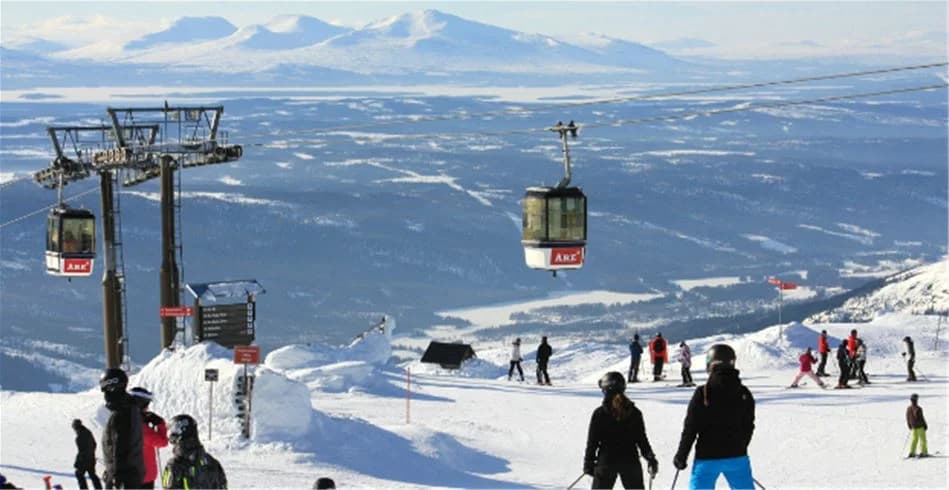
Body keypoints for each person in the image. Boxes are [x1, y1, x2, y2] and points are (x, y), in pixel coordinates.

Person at [673, 344, 756, 490]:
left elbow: (691, 427)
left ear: (711, 364)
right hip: (737, 456)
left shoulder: (703, 393)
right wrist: (740, 445)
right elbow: (748, 425)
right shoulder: (744, 393)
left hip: (707, 457)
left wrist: (681, 455)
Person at [583, 372, 659, 489]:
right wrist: (650, 458)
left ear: (606, 390)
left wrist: (588, 462)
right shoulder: (634, 412)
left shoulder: (600, 413)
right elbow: (641, 439)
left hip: (606, 462)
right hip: (630, 461)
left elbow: (592, 441)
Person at [99, 368, 144, 489]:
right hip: (129, 474)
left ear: (114, 388)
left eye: (106, 391)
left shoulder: (122, 413)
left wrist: (116, 475)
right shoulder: (130, 408)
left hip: (124, 477)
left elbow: (121, 446)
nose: (105, 396)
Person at [161, 414, 227, 489]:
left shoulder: (175, 465)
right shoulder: (212, 462)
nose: (172, 435)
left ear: (182, 432)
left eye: (175, 430)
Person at [130, 387, 168, 489]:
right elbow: (163, 442)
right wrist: (161, 424)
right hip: (144, 477)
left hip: (130, 475)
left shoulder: (126, 422)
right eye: (146, 405)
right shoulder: (142, 429)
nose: (147, 409)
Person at [72, 419, 102, 490]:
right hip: (91, 458)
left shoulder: (80, 437)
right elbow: (94, 444)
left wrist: (77, 462)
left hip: (85, 460)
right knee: (92, 474)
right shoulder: (87, 432)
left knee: (79, 474)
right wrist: (92, 453)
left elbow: (82, 451)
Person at [906, 394, 929, 458]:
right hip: (920, 427)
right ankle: (923, 452)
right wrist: (925, 425)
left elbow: (907, 417)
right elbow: (921, 418)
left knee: (914, 440)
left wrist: (909, 425)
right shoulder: (918, 408)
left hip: (913, 426)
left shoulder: (909, 408)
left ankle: (912, 452)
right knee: (923, 439)